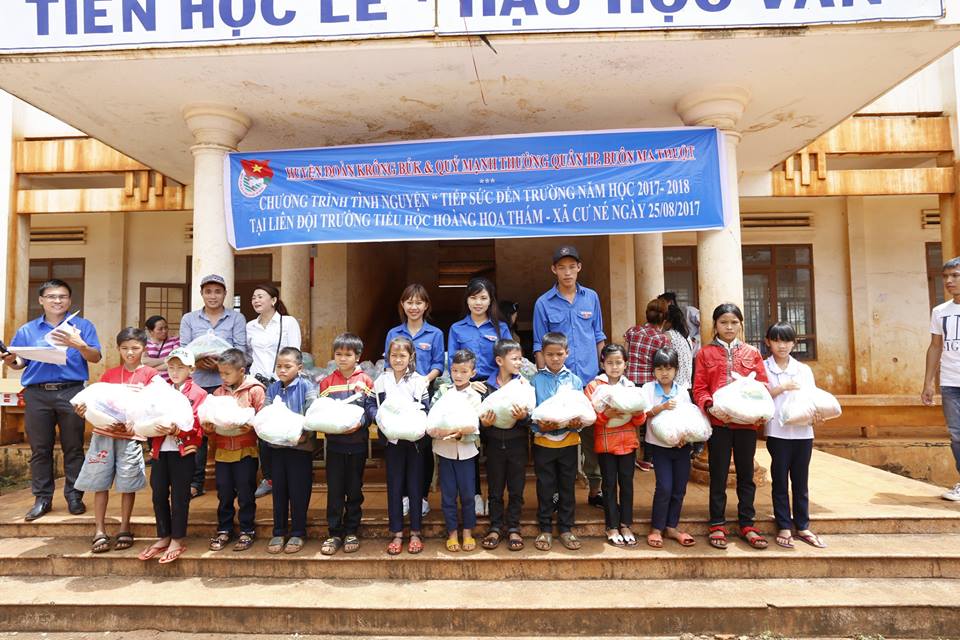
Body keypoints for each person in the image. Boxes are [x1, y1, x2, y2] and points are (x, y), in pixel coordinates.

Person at [4, 278, 102, 521]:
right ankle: (42, 499)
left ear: (69, 300)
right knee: (40, 449)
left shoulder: (82, 326)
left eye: (62, 296)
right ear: (41, 300)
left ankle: (74, 496)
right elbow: (19, 362)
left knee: (74, 447)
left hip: (72, 392)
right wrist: (10, 360)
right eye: (51, 296)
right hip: (37, 394)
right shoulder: (27, 330)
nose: (57, 300)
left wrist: (79, 345)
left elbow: (95, 357)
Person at [532, 246, 606, 507]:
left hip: (588, 377)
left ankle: (595, 489)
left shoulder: (591, 298)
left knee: (592, 433)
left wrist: (603, 372)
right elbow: (538, 344)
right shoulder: (543, 303)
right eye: (561, 267)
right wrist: (544, 378)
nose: (567, 272)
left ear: (579, 268)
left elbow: (598, 335)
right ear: (554, 269)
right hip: (558, 381)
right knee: (558, 433)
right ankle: (556, 494)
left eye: (571, 267)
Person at [693, 303, 769, 551]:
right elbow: (699, 388)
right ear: (715, 325)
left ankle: (747, 523)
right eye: (723, 322)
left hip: (746, 425)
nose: (729, 327)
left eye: (734, 322)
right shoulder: (705, 354)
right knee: (718, 474)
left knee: (746, 474)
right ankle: (717, 523)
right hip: (719, 424)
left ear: (740, 325)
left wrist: (760, 412)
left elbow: (762, 387)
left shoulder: (752, 353)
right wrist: (710, 406)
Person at [72, 327, 155, 553]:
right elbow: (96, 402)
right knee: (100, 483)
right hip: (104, 434)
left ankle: (125, 527)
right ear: (118, 349)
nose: (130, 353)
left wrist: (137, 421)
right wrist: (84, 411)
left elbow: (155, 406)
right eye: (125, 348)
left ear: (144, 349)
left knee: (128, 484)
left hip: (131, 437)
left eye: (135, 348)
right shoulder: (109, 375)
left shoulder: (150, 376)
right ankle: (99, 530)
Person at [179, 273, 247, 499]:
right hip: (198, 384)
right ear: (201, 294)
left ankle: (230, 483)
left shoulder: (236, 319)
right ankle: (195, 482)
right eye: (208, 291)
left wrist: (222, 363)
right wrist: (196, 362)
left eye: (218, 291)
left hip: (226, 385)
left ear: (225, 294)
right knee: (196, 433)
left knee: (227, 431)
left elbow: (241, 351)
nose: (213, 296)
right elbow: (183, 351)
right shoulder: (189, 319)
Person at [447, 277, 510, 517]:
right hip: (466, 390)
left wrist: (492, 384)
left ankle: (494, 496)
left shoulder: (500, 328)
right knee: (469, 441)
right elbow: (453, 363)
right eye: (473, 297)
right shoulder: (457, 328)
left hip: (494, 390)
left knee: (493, 445)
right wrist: (468, 383)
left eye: (483, 297)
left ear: (491, 300)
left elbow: (507, 362)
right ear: (467, 300)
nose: (478, 302)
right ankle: (473, 495)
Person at [137, 347, 206, 564]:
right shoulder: (162, 391)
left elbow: (199, 427)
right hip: (160, 450)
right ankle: (164, 535)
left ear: (191, 369)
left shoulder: (198, 394)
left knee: (179, 496)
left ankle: (177, 539)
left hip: (183, 452)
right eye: (171, 367)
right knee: (158, 493)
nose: (175, 372)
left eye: (180, 367)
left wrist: (178, 431)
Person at [384, 284, 444, 519]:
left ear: (426, 305)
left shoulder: (435, 334)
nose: (414, 307)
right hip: (398, 396)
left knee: (422, 447)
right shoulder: (393, 333)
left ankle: (422, 497)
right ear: (402, 304)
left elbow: (438, 364)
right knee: (400, 445)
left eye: (419, 302)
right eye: (409, 302)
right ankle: (404, 497)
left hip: (424, 396)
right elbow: (388, 365)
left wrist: (423, 381)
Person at [765, 322, 826, 549]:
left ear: (794, 343)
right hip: (777, 432)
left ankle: (802, 525)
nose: (782, 346)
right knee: (780, 479)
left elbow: (812, 397)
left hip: (803, 432)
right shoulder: (764, 367)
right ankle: (783, 525)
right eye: (777, 340)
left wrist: (817, 415)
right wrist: (782, 388)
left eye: (787, 341)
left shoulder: (803, 370)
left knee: (801, 480)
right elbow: (760, 396)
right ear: (768, 342)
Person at [317, 333, 377, 556]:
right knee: (334, 490)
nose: (342, 358)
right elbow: (321, 412)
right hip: (334, 446)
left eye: (348, 354)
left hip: (357, 444)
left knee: (354, 489)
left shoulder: (366, 381)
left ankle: (352, 530)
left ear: (357, 356)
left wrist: (361, 423)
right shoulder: (326, 382)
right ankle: (334, 532)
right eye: (338, 354)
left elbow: (370, 409)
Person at [204, 348, 266, 553]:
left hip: (246, 450)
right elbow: (211, 421)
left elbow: (264, 419)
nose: (223, 377)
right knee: (224, 492)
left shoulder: (255, 390)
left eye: (227, 373)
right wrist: (208, 428)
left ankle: (247, 530)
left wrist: (253, 426)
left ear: (241, 371)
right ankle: (224, 529)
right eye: (220, 373)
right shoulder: (218, 393)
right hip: (222, 450)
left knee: (246, 491)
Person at [376, 336, 431, 555]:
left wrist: (414, 421)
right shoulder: (381, 381)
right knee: (395, 486)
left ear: (411, 357)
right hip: (392, 441)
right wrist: (382, 418)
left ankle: (416, 532)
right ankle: (397, 532)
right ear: (387, 357)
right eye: (394, 355)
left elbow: (426, 408)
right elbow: (373, 406)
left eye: (402, 355)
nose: (398, 360)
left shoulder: (419, 381)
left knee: (415, 486)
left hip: (414, 441)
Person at [246, 284, 301, 500]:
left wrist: (287, 378)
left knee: (285, 427)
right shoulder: (250, 326)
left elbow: (295, 352)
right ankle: (269, 477)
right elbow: (248, 355)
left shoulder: (288, 322)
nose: (256, 300)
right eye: (253, 297)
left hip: (281, 382)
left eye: (260, 296)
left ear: (274, 300)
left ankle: (287, 475)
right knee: (262, 430)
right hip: (257, 384)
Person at [584, 343, 643, 547]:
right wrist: (605, 415)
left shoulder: (631, 387)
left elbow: (640, 419)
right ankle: (611, 526)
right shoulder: (594, 387)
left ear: (626, 364)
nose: (614, 367)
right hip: (606, 443)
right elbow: (589, 417)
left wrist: (637, 413)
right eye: (610, 363)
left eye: (618, 362)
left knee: (627, 484)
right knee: (609, 485)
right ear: (602, 364)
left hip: (628, 442)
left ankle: (625, 524)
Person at [530, 332, 584, 552]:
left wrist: (576, 423)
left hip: (568, 440)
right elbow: (531, 411)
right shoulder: (535, 381)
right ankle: (545, 527)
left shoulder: (574, 381)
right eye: (549, 354)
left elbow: (580, 409)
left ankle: (565, 528)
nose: (554, 358)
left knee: (567, 485)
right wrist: (538, 426)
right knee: (545, 485)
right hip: (543, 441)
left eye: (559, 354)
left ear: (567, 353)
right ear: (542, 355)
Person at [479, 338, 532, 552]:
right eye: (515, 359)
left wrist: (523, 417)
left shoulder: (524, 385)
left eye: (520, 359)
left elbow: (531, 418)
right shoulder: (486, 387)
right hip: (493, 444)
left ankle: (513, 528)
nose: (519, 363)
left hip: (517, 443)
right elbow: (479, 419)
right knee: (495, 488)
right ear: (500, 360)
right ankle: (495, 527)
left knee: (516, 489)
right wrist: (484, 425)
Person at [642, 346, 696, 549]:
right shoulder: (648, 389)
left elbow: (688, 415)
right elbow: (643, 414)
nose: (664, 373)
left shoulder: (681, 391)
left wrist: (685, 437)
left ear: (676, 370)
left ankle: (672, 526)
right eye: (659, 369)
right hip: (659, 447)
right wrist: (661, 407)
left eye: (668, 368)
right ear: (653, 371)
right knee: (664, 487)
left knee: (679, 488)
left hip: (681, 446)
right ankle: (656, 528)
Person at [264, 347, 316, 555]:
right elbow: (266, 414)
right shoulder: (272, 388)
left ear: (299, 368)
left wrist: (303, 434)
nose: (282, 370)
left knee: (299, 490)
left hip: (300, 448)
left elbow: (313, 413)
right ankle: (278, 531)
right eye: (279, 366)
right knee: (279, 490)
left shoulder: (306, 386)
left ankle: (298, 532)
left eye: (288, 366)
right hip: (277, 448)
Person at [429, 349, 482, 553]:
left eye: (464, 371)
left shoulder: (475, 396)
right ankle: (452, 533)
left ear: (473, 373)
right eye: (454, 370)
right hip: (445, 451)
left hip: (467, 452)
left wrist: (460, 434)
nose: (458, 375)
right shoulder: (442, 392)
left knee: (468, 495)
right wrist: (438, 430)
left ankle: (467, 531)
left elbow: (475, 428)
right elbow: (433, 416)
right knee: (448, 495)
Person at [922, 256, 960, 502]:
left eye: (955, 276)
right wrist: (928, 383)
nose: (949, 281)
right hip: (950, 382)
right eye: (945, 276)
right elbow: (935, 346)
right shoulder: (940, 311)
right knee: (957, 435)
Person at [624, 298, 670, 472]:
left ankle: (631, 456)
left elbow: (624, 355)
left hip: (630, 381)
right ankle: (647, 459)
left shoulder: (632, 331)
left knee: (632, 419)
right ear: (664, 318)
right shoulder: (663, 339)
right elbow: (662, 364)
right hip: (650, 383)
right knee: (650, 419)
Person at [659, 291, 701, 355]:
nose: (660, 308)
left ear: (670, 302)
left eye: (662, 304)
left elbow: (706, 325)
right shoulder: (667, 321)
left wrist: (695, 338)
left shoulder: (689, 311)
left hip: (696, 352)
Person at [663, 304, 694, 389]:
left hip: (674, 384)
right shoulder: (686, 336)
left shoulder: (668, 335)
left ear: (668, 321)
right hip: (686, 383)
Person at [142, 315, 180, 383]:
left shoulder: (175, 341)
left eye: (166, 328)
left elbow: (176, 362)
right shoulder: (144, 344)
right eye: (160, 329)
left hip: (170, 383)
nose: (164, 331)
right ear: (151, 331)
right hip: (150, 383)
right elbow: (143, 362)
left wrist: (151, 368)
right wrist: (168, 359)